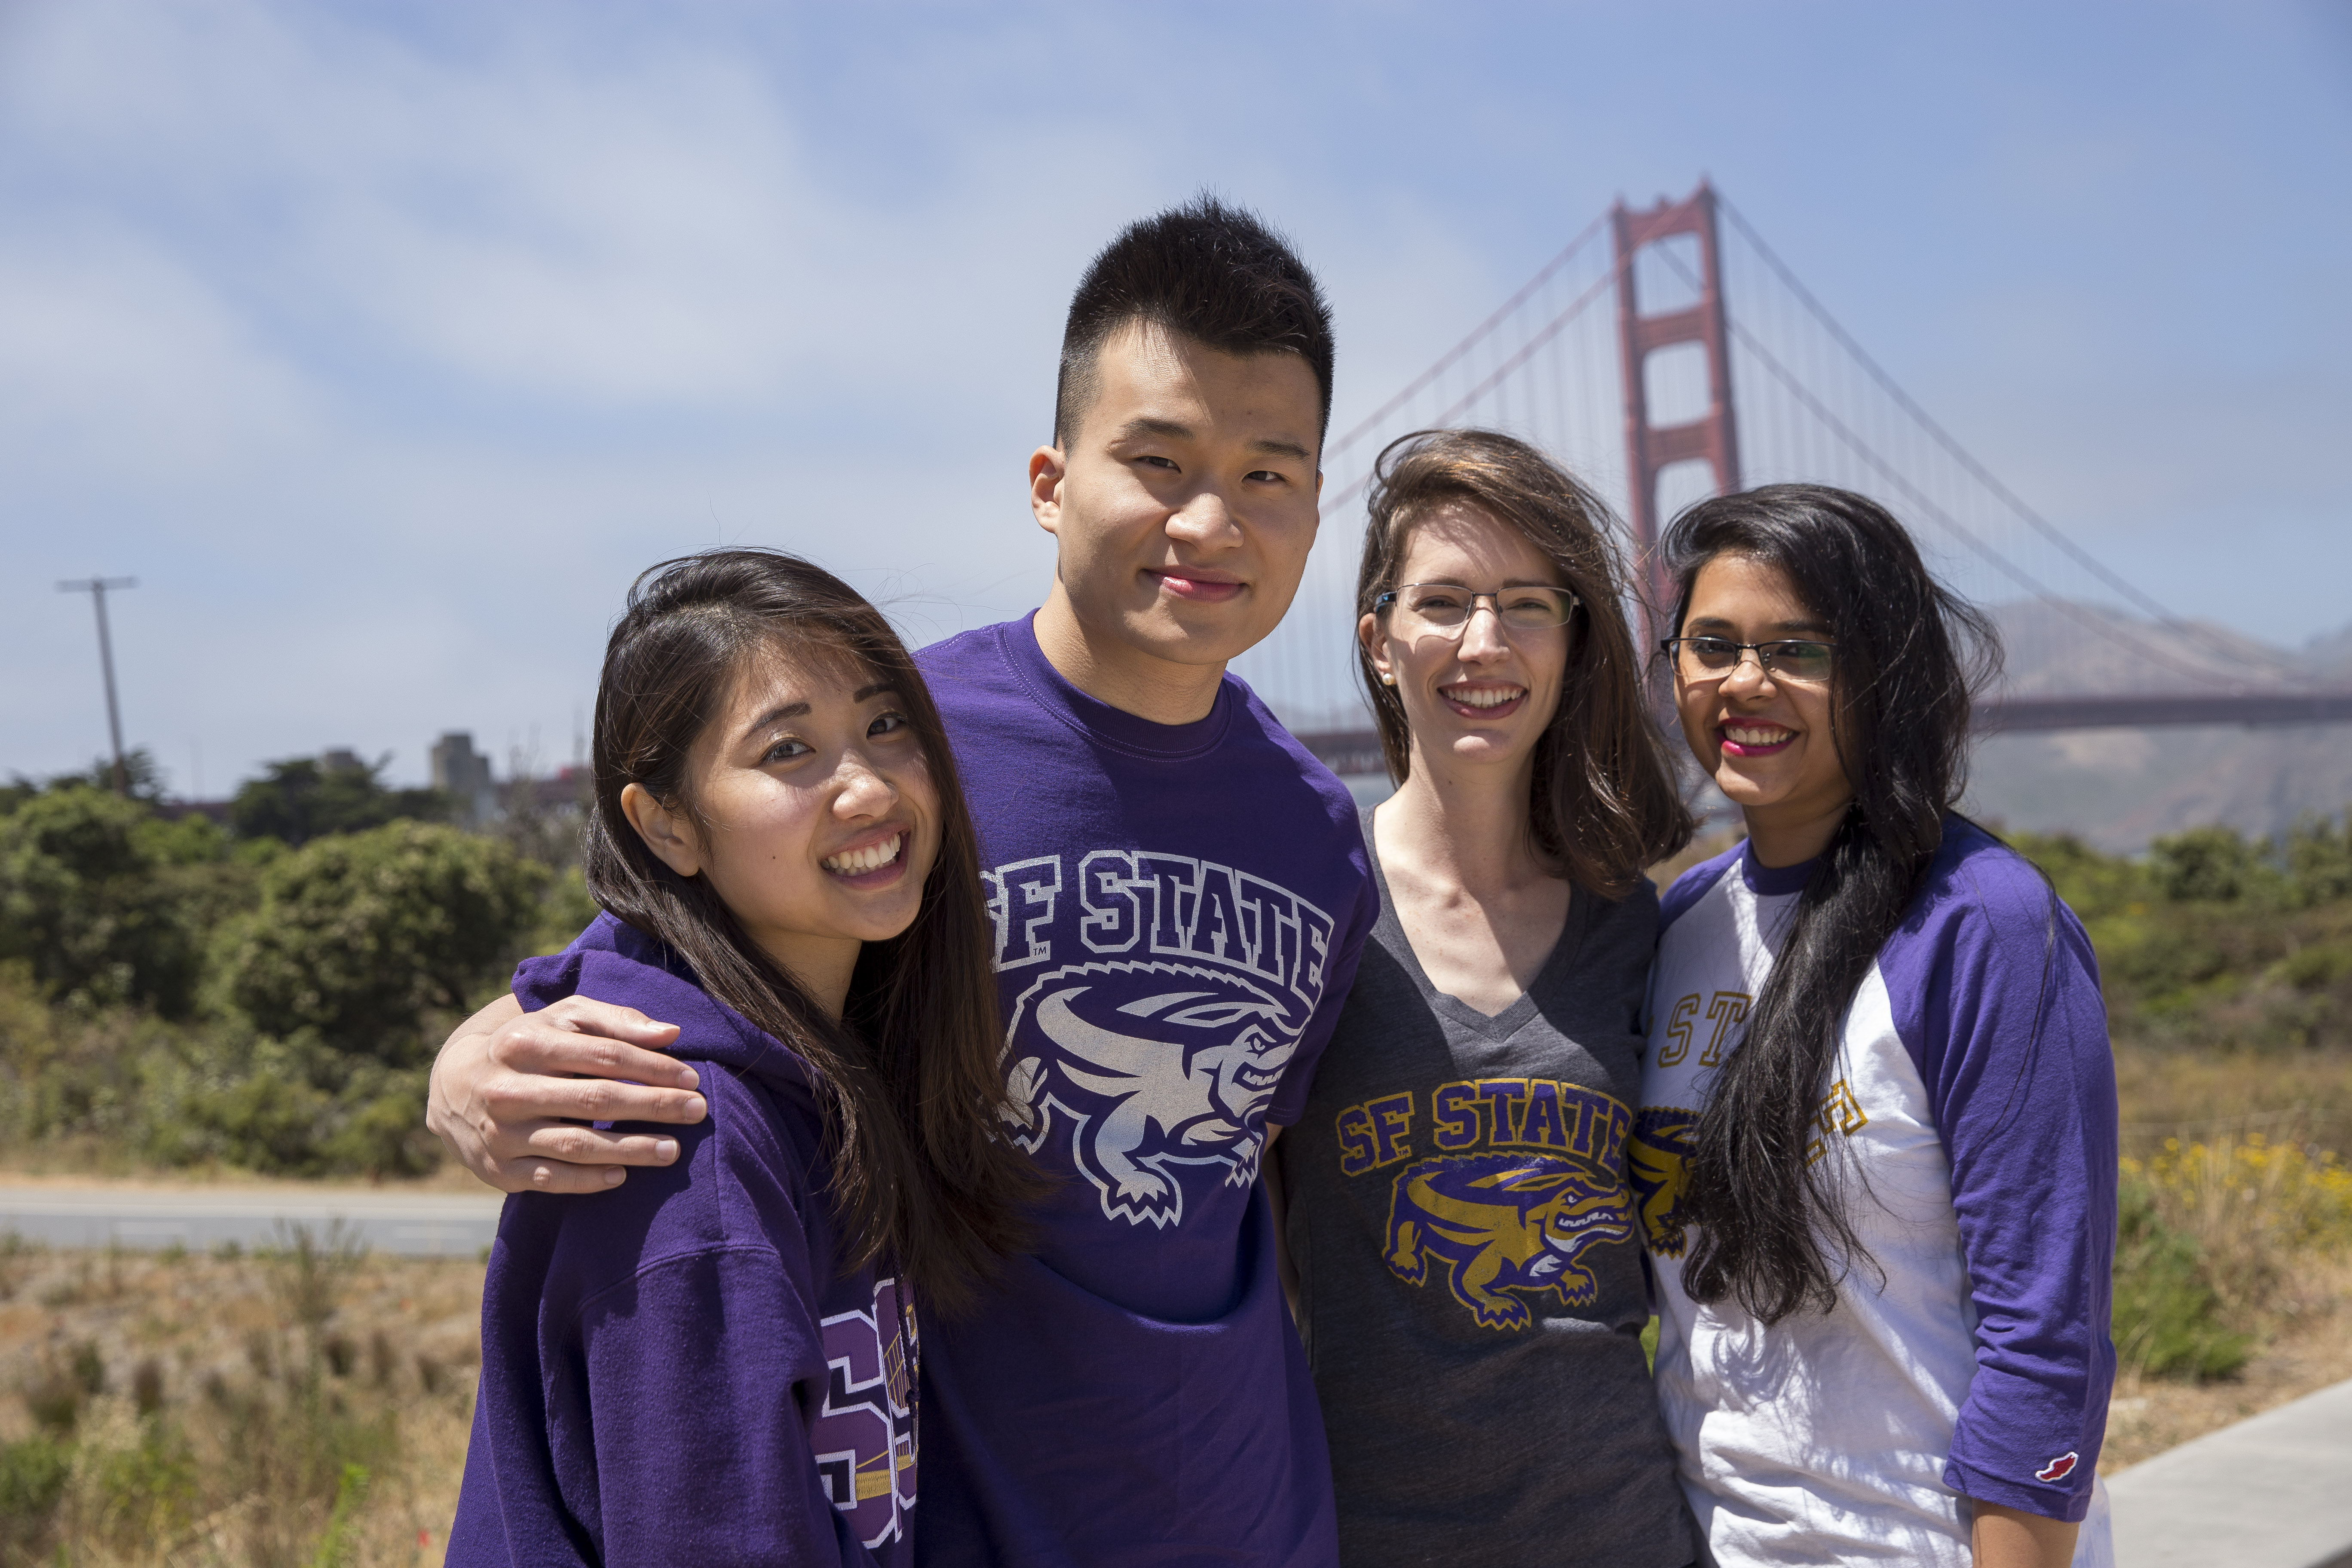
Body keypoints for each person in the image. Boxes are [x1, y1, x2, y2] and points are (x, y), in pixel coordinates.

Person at [428, 200, 1379, 1566]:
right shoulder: (899, 757)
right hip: (962, 1518)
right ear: (1051, 482)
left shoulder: (1315, 828)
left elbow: (1255, 1175)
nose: (1211, 519)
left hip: (1255, 1514)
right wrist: (470, 1060)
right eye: (1158, 461)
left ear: (1311, 506)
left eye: (1269, 474)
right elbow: (667, 969)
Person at [446, 550, 1037, 1565]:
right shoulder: (686, 1142)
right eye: (788, 752)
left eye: (887, 726)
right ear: (668, 826)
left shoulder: (836, 1061)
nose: (865, 787)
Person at [1632, 484, 2118, 1568]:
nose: (1745, 683)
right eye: (1713, 644)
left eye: (1797, 650)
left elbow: (2045, 1339)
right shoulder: (1679, 926)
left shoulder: (1982, 926)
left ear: (1884, 676)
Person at [1271, 429, 1700, 1566]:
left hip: (1625, 1531)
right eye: (1445, 602)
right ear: (1378, 638)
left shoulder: (1634, 928)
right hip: (1374, 1536)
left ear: (1570, 643)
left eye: (1525, 604)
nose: (1483, 642)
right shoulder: (1306, 915)